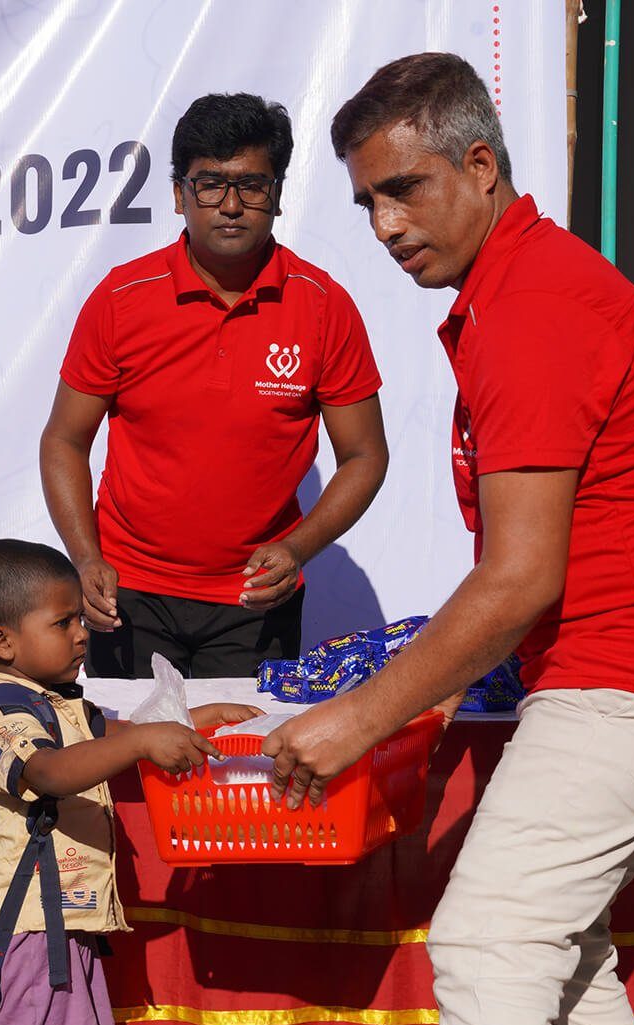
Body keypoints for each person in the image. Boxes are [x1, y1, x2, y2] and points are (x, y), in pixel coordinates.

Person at [260, 54, 634, 1025]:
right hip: (632, 662)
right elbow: (526, 564)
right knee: (555, 957)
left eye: (406, 189)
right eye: (367, 203)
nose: (386, 226)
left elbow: (521, 576)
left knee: (489, 945)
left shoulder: (532, 305)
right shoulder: (519, 288)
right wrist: (434, 691)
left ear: (480, 166)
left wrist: (363, 719)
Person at [40, 92, 390, 679]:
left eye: (251, 185)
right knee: (134, 741)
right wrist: (86, 558)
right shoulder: (122, 299)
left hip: (256, 600)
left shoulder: (323, 306)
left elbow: (365, 455)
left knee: (243, 744)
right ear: (179, 195)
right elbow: (63, 440)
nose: (231, 205)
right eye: (209, 185)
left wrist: (297, 548)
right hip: (128, 594)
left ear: (277, 194)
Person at [0, 539, 259, 1025]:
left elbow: (114, 734)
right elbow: (49, 771)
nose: (81, 634)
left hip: (63, 921)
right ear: (1, 641)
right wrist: (142, 744)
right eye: (63, 622)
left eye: (80, 619)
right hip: (30, 930)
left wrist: (197, 718)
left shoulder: (55, 702)